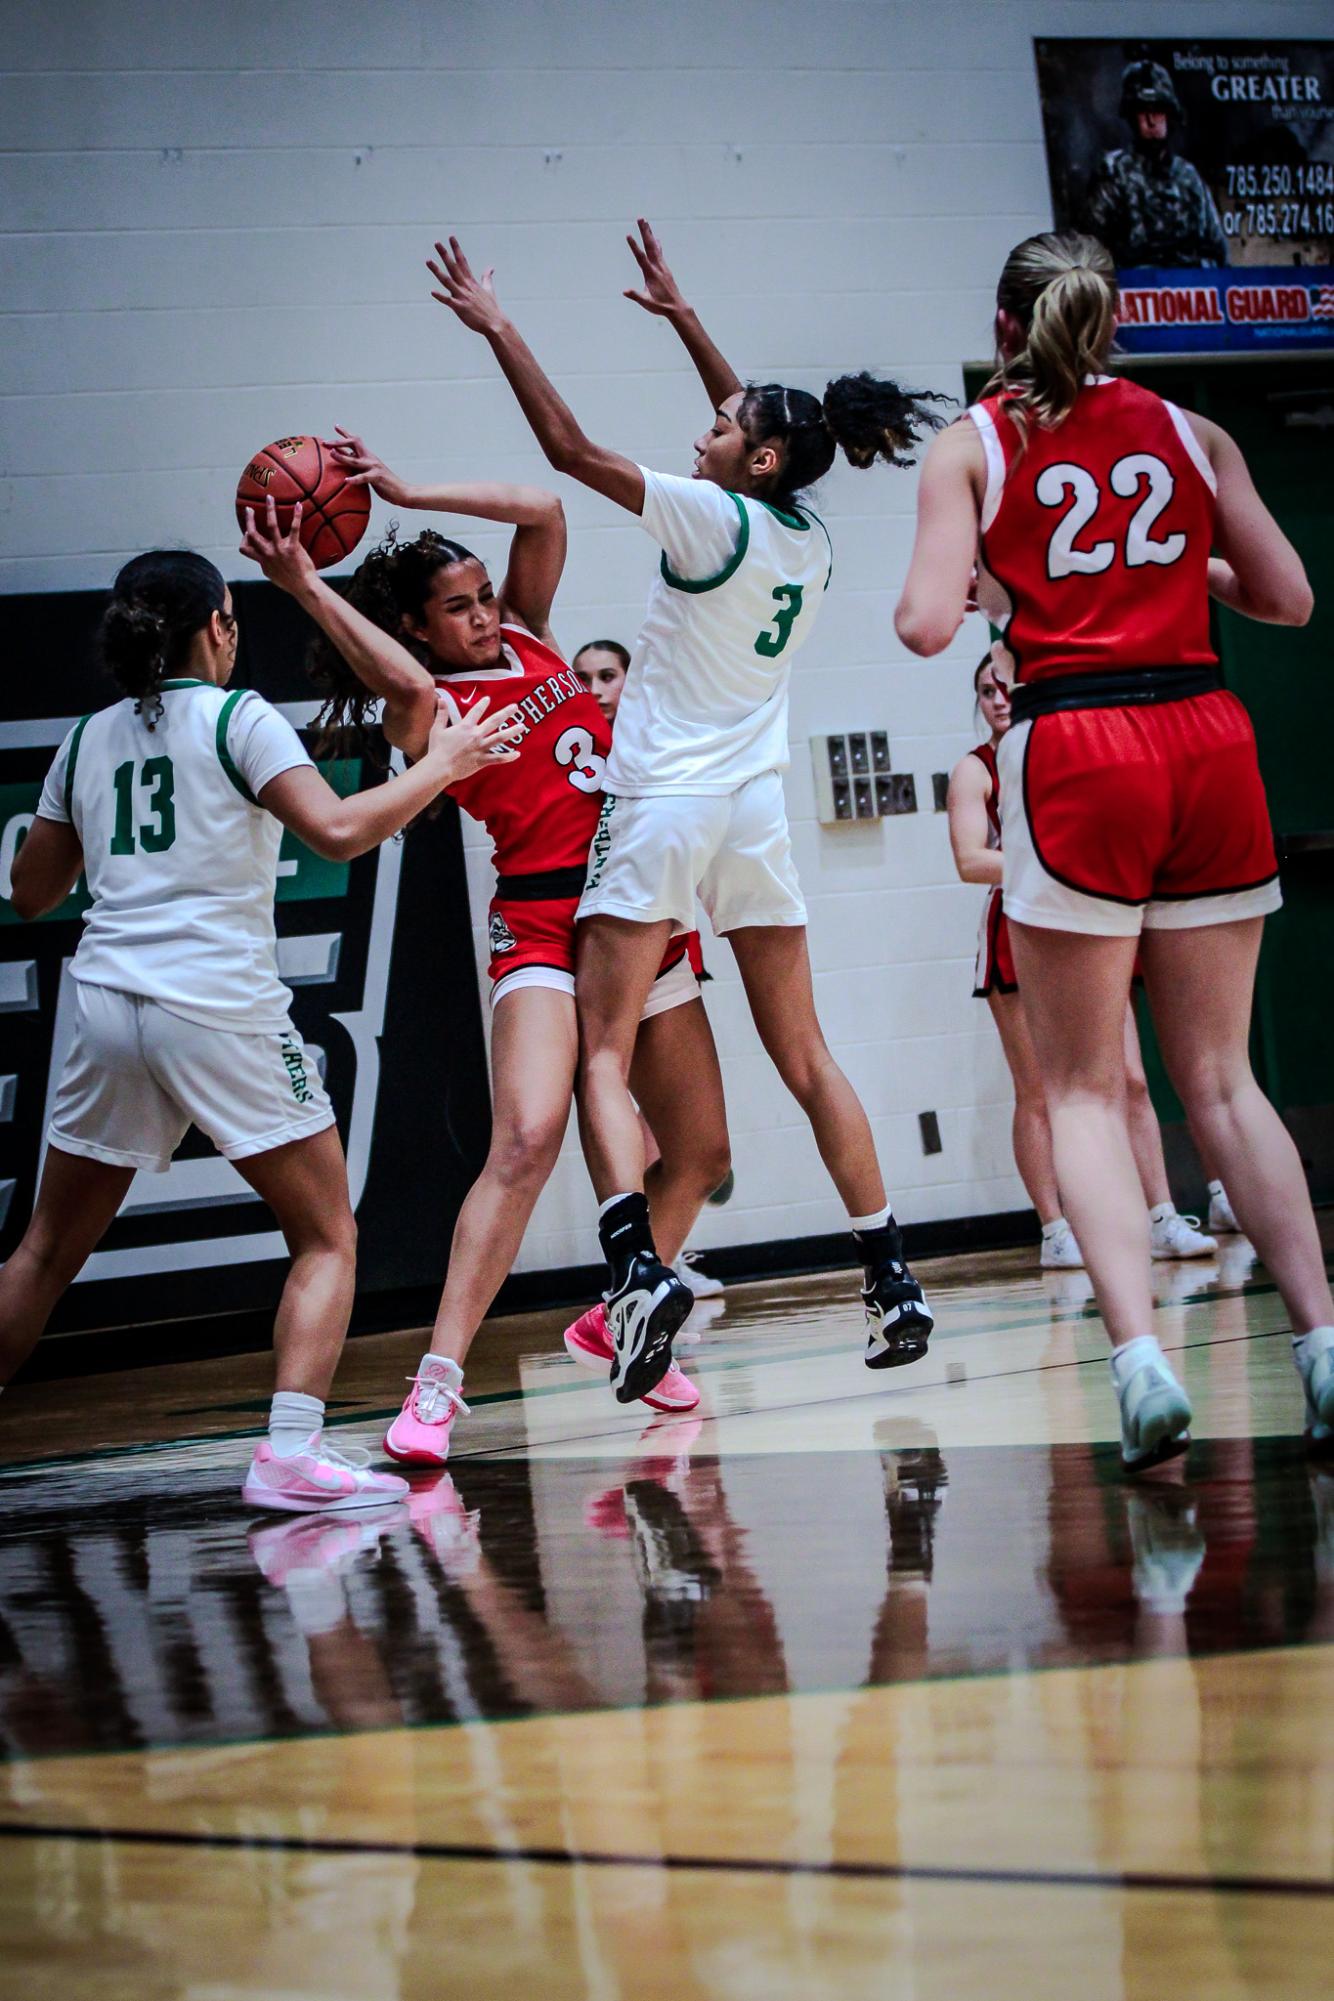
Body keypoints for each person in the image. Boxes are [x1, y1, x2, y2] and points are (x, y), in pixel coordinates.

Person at [427, 221, 945, 1404]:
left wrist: (500, 327)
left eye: (721, 428)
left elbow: (566, 449)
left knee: (602, 1057)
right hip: (753, 812)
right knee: (805, 1054)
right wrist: (687, 323)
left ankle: (634, 1270)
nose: (703, 429)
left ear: (752, 460)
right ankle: (890, 1272)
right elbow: (766, 427)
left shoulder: (706, 516)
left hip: (661, 806)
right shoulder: (805, 539)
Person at [896, 229, 1332, 1470]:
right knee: (1221, 1083)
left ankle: (1138, 1363)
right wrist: (1168, 570)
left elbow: (927, 625)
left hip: (1077, 743)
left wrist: (1000, 580)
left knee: (1084, 1086)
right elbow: (1287, 598)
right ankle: (1320, 1345)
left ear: (1001, 326)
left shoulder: (970, 444)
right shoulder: (1196, 433)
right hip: (1203, 729)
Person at [0, 511, 519, 1509]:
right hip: (214, 1000)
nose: (236, 634)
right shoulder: (240, 719)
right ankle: (288, 1453)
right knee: (326, 1234)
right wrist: (440, 769)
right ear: (213, 628)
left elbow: (30, 893)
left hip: (105, 997)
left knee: (45, 1250)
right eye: (231, 618)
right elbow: (332, 833)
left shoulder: (85, 737)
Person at [306, 437, 733, 1455]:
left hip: (636, 907)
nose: (484, 613)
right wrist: (297, 581)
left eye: (482, 596)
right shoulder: (431, 707)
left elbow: (542, 507)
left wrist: (413, 483)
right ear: (413, 629)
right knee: (526, 1139)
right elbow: (393, 676)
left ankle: (616, 1316)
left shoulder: (535, 640)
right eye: (457, 608)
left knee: (703, 1153)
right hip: (541, 921)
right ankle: (437, 1386)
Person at [949, 643, 1222, 1269]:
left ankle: (1160, 1216)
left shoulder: (1067, 751)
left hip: (1090, 924)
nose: (996, 700)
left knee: (1129, 1078)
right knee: (1038, 1091)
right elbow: (969, 860)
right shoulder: (976, 769)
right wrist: (1055, 865)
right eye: (985, 692)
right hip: (1016, 926)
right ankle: (1055, 1229)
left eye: (1003, 688)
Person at [571, 635, 725, 1305]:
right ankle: (642, 1275)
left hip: (666, 944)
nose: (598, 687)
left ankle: (647, 1281)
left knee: (694, 1148)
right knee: (633, 1128)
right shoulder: (570, 755)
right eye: (585, 677)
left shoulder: (657, 746)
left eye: (608, 674)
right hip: (587, 952)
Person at [1082, 60, 1227, 270]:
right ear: (1132, 117)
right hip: (1135, 291)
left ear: (1169, 114)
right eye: (1143, 111)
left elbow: (1217, 250)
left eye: (1158, 110)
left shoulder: (1188, 177)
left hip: (1190, 291)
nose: (1152, 121)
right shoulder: (1114, 174)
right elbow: (1091, 252)